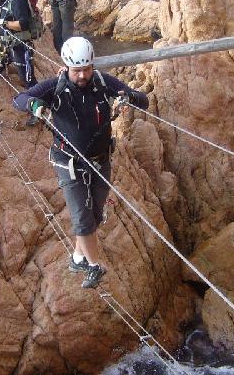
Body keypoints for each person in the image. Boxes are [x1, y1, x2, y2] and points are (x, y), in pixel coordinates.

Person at [13, 37, 149, 288]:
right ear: (66, 67)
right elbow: (19, 99)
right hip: (69, 163)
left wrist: (128, 96)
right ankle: (94, 266)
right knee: (82, 220)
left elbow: (143, 99)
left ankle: (78, 258)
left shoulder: (102, 83)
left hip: (100, 161)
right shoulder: (55, 87)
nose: (83, 75)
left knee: (95, 215)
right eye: (77, 70)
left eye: (87, 69)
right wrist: (34, 104)